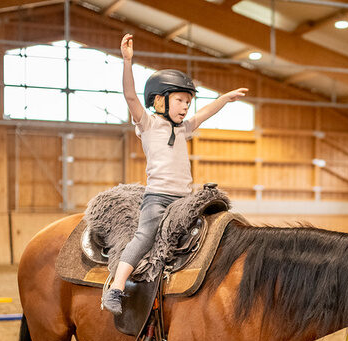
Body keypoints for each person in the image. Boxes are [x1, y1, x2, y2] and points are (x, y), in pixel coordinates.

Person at [101, 34, 248, 315]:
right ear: (159, 101)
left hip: (185, 199)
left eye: (188, 102)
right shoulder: (148, 124)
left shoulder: (184, 128)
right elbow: (130, 96)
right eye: (180, 100)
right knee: (145, 237)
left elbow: (205, 112)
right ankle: (116, 288)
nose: (185, 107)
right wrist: (127, 62)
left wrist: (224, 100)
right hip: (157, 198)